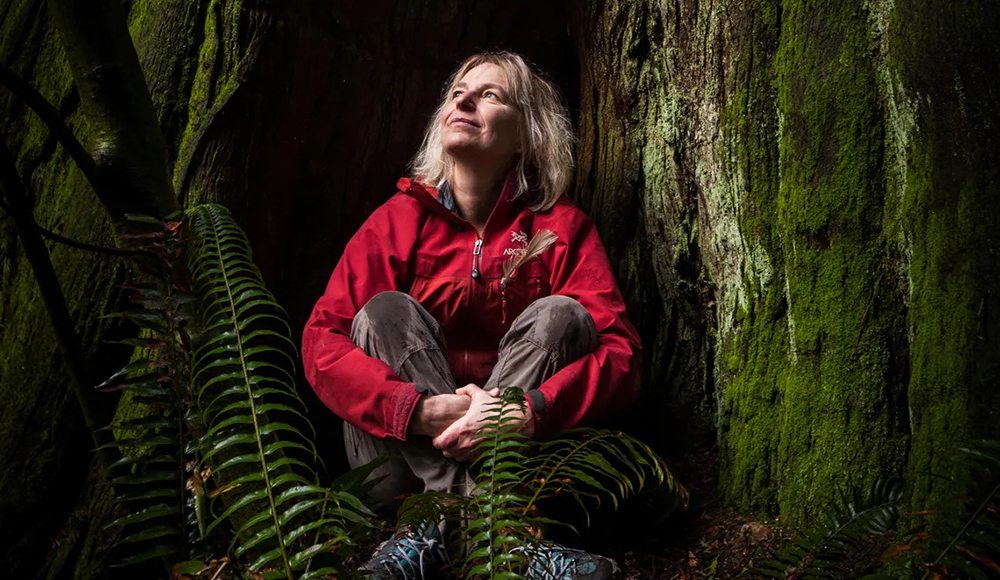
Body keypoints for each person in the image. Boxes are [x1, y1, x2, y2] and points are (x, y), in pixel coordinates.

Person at [302, 51, 641, 580]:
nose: (463, 99)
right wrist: (411, 408)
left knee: (563, 315)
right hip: (396, 462)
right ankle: (502, 538)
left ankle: (438, 535)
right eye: (458, 90)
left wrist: (526, 410)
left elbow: (622, 354)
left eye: (490, 94)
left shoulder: (562, 228)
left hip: (521, 460)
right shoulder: (397, 220)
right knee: (383, 310)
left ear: (527, 134)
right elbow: (322, 341)